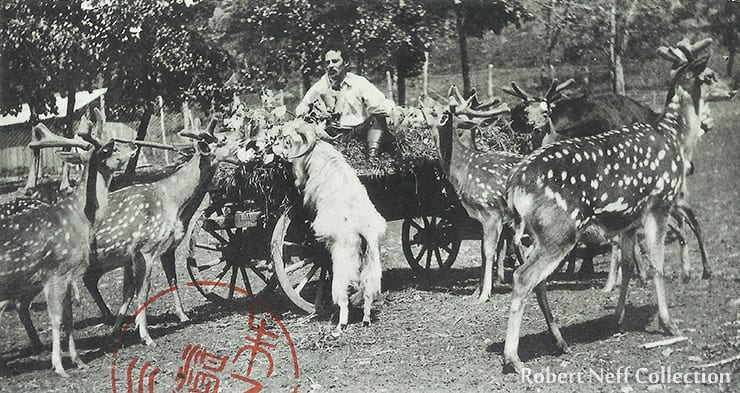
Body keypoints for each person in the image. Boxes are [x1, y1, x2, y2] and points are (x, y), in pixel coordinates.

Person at [295, 46, 395, 158]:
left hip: (356, 132)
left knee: (378, 117)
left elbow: (379, 104)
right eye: (327, 63)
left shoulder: (359, 83)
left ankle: (372, 157)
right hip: (330, 134)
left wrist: (392, 111)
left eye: (335, 61)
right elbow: (301, 108)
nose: (331, 66)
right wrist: (311, 114)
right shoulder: (319, 87)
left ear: (346, 63)